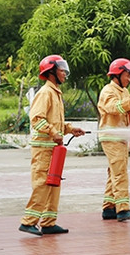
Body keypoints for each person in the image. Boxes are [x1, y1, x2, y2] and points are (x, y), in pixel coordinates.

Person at [19, 55, 85, 236]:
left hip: (52, 148)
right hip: (43, 148)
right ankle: (28, 222)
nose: (64, 73)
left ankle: (48, 222)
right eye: (61, 69)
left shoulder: (55, 93)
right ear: (51, 72)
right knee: (42, 184)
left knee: (54, 183)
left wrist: (70, 129)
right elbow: (36, 119)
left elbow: (56, 121)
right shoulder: (45, 93)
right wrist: (52, 132)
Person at [97, 58, 130, 222]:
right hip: (111, 137)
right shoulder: (108, 91)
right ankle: (123, 210)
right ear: (117, 74)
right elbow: (113, 108)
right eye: (127, 75)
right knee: (120, 173)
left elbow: (127, 108)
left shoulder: (124, 91)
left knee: (114, 172)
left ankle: (109, 208)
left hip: (121, 137)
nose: (129, 79)